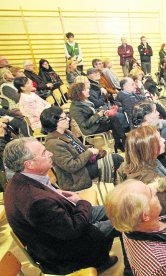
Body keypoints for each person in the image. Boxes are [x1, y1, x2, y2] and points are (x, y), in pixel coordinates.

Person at [3, 137, 118, 274]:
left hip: (66, 221)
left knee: (121, 209)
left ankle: (101, 260)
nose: (50, 154)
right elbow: (73, 230)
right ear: (29, 164)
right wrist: (81, 202)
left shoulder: (21, 179)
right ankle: (118, 266)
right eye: (44, 152)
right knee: (129, 220)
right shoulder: (34, 201)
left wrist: (57, 195)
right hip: (64, 250)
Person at [41, 106, 124, 191]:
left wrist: (94, 151)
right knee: (116, 159)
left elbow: (81, 149)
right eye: (65, 118)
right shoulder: (53, 144)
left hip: (83, 167)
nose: (68, 119)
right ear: (55, 122)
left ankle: (121, 187)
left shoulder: (66, 133)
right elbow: (71, 167)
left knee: (115, 159)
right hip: (75, 178)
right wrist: (89, 152)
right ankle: (122, 189)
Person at [69, 82, 126, 152]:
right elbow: (85, 124)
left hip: (95, 123)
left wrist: (103, 112)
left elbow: (92, 111)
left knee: (114, 118)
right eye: (85, 89)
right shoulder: (75, 108)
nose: (88, 90)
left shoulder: (83, 101)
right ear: (78, 93)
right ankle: (122, 141)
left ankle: (120, 142)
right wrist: (98, 115)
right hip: (90, 129)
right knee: (114, 120)